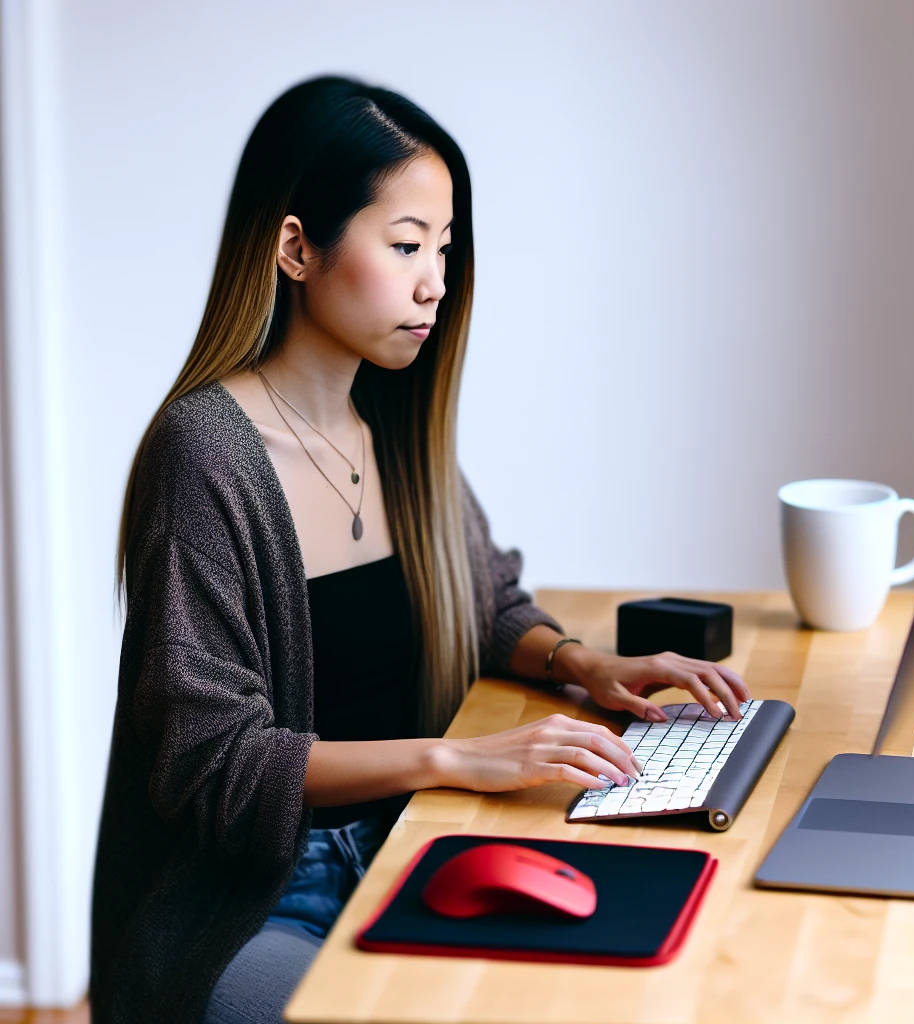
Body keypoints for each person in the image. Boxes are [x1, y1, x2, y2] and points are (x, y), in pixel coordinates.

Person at [91, 77, 751, 1024]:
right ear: (295, 248)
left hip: (422, 847)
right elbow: (216, 761)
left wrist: (584, 663)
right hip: (260, 899)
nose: (434, 281)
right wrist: (456, 760)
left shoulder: (391, 428)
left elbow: (481, 602)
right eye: (405, 246)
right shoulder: (204, 455)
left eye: (442, 249)